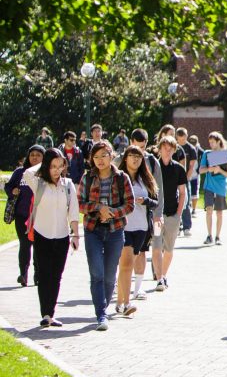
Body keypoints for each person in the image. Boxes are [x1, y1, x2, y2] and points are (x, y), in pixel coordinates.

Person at [22, 148, 80, 327]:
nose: (57, 170)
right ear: (46, 166)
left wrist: (75, 235)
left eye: (60, 166)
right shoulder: (38, 183)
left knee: (56, 276)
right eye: (53, 166)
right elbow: (27, 172)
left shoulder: (68, 185)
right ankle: (45, 314)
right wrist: (46, 161)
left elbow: (73, 212)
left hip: (62, 237)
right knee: (44, 275)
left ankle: (51, 313)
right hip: (42, 235)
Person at [78, 140, 131, 330]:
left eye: (103, 156)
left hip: (115, 231)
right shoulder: (87, 178)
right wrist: (98, 208)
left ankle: (104, 308)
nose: (100, 160)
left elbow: (130, 205)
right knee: (97, 274)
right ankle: (101, 314)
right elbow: (80, 204)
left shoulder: (121, 178)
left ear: (111, 155)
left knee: (109, 277)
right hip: (93, 230)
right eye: (96, 157)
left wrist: (112, 212)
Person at [114, 145, 159, 318]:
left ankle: (119, 302)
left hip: (141, 228)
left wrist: (145, 200)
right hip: (123, 226)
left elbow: (155, 202)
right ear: (125, 158)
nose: (135, 159)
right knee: (126, 264)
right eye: (132, 156)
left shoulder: (145, 179)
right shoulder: (119, 178)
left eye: (139, 157)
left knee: (127, 266)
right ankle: (127, 303)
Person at [5, 145, 44, 286]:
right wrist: (12, 191)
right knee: (25, 244)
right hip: (22, 215)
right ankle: (23, 274)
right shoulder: (20, 172)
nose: (34, 157)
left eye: (38, 155)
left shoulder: (45, 172)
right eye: (32, 155)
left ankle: (38, 275)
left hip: (40, 216)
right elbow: (8, 186)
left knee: (38, 246)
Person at [151, 135, 187, 291]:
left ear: (174, 150)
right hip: (157, 215)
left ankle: (164, 275)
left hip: (172, 214)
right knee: (156, 246)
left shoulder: (178, 169)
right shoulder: (153, 167)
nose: (167, 151)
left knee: (169, 249)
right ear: (159, 149)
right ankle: (159, 278)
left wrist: (178, 214)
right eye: (164, 148)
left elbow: (182, 193)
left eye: (170, 148)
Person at [200, 131, 227, 245]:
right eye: (209, 142)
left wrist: (219, 170)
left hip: (221, 188)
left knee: (219, 213)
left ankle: (218, 236)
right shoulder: (206, 154)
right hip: (209, 187)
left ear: (219, 142)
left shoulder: (226, 156)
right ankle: (209, 235)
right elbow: (200, 170)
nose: (211, 144)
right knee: (209, 210)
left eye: (213, 142)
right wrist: (208, 169)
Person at [176, 128, 199, 236]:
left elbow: (191, 166)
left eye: (183, 139)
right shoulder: (174, 147)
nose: (181, 141)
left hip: (184, 179)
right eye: (179, 139)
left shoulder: (191, 149)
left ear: (186, 136)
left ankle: (186, 227)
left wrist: (185, 179)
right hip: (174, 178)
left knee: (185, 202)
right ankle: (177, 226)